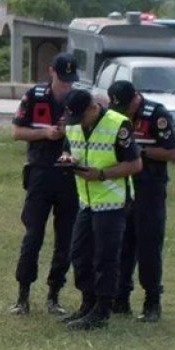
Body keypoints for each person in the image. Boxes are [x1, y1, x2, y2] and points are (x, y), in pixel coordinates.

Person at [57, 89, 143, 330]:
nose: (77, 123)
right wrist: (66, 159)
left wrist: (102, 175)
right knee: (79, 253)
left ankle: (102, 310)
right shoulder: (74, 123)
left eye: (81, 117)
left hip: (113, 202)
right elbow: (68, 147)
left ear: (93, 108)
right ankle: (88, 303)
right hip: (86, 200)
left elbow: (135, 164)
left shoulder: (118, 124)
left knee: (105, 257)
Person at [8, 53, 82, 316]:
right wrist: (45, 133)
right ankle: (23, 295)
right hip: (41, 173)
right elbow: (17, 131)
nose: (66, 86)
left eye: (71, 81)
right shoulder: (35, 96)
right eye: (63, 80)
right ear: (51, 71)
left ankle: (54, 294)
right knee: (33, 235)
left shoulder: (79, 100)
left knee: (66, 239)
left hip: (70, 177)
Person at [107, 80, 175, 322]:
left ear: (136, 99)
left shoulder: (156, 115)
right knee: (122, 244)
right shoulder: (114, 115)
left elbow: (172, 151)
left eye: (126, 107)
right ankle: (120, 298)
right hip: (122, 188)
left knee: (148, 245)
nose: (124, 113)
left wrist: (140, 153)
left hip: (149, 188)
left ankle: (152, 301)